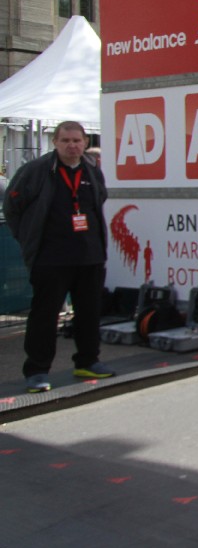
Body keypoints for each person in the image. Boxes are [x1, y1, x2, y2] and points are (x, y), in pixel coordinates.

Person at [4, 121, 112, 393]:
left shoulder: (92, 170)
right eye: (66, 140)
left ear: (85, 142)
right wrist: (26, 238)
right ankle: (37, 371)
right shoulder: (37, 170)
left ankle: (88, 361)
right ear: (55, 142)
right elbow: (12, 206)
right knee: (44, 315)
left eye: (77, 140)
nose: (72, 145)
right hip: (50, 258)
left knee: (89, 313)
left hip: (89, 256)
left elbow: (99, 201)